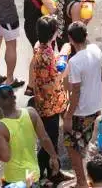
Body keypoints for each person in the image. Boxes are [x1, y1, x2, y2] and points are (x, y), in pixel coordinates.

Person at [0, 84, 61, 185]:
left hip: (14, 179)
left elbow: (5, 157)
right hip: (32, 175)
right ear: (14, 97)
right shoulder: (31, 113)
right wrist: (53, 157)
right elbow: (44, 138)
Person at [62, 20, 102, 185]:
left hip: (81, 111)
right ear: (86, 36)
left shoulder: (75, 62)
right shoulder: (96, 49)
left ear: (70, 39)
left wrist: (68, 115)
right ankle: (95, 178)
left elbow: (76, 91)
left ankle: (81, 182)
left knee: (72, 147)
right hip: (95, 107)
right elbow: (100, 75)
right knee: (89, 143)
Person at [31, 16, 68, 184]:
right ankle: (44, 174)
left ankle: (51, 172)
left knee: (50, 139)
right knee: (49, 142)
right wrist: (64, 72)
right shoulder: (45, 55)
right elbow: (50, 85)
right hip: (49, 104)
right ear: (53, 34)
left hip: (44, 102)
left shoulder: (39, 47)